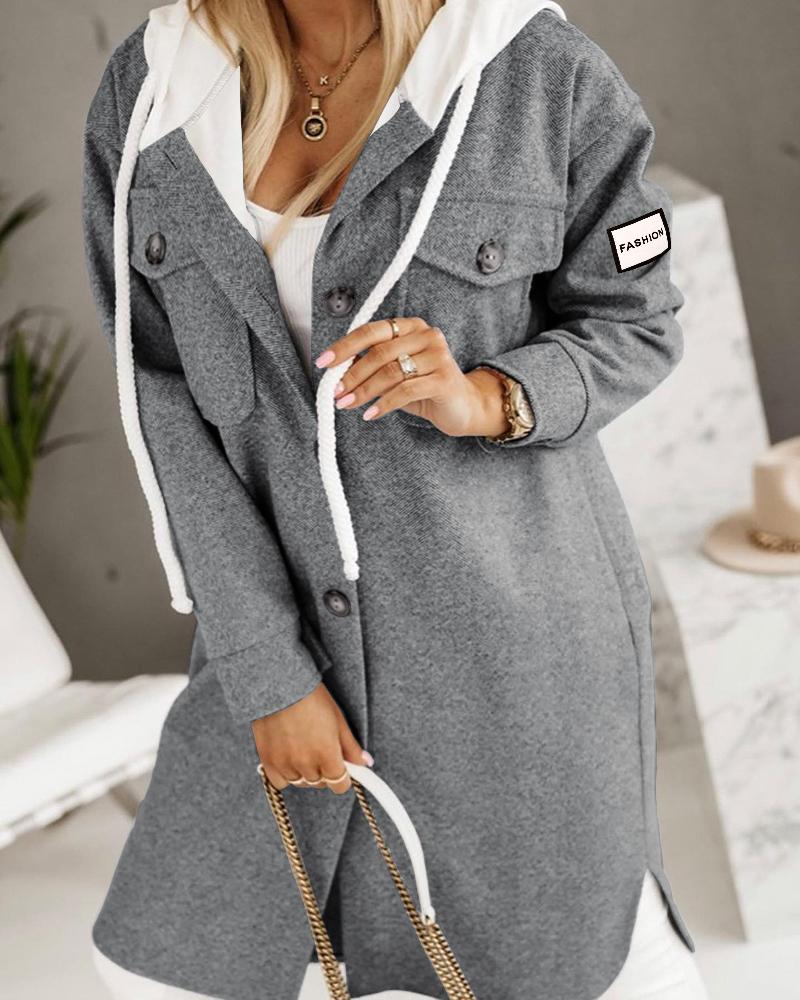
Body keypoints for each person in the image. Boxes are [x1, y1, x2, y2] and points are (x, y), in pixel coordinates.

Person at [82, 0, 710, 997]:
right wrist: (266, 674)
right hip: (281, 641)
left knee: (564, 964)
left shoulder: (532, 69)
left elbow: (637, 317)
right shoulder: (153, 89)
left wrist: (489, 396)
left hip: (512, 662)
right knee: (162, 967)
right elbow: (162, 406)